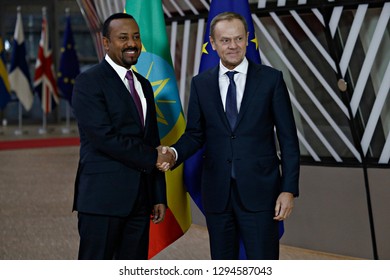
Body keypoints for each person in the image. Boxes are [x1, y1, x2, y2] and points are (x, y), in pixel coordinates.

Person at [158, 12, 300, 260]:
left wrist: (288, 190)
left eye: (238, 39)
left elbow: (288, 140)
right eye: (225, 40)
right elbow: (195, 134)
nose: (233, 46)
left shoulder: (271, 80)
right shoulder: (201, 84)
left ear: (247, 39)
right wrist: (174, 153)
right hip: (218, 195)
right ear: (212, 44)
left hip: (261, 193)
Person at [72, 13, 174, 260]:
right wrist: (154, 156)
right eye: (123, 38)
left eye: (136, 37)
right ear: (106, 43)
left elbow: (152, 140)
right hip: (101, 200)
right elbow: (104, 137)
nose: (132, 43)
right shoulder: (89, 82)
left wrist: (158, 195)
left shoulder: (144, 85)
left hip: (140, 202)